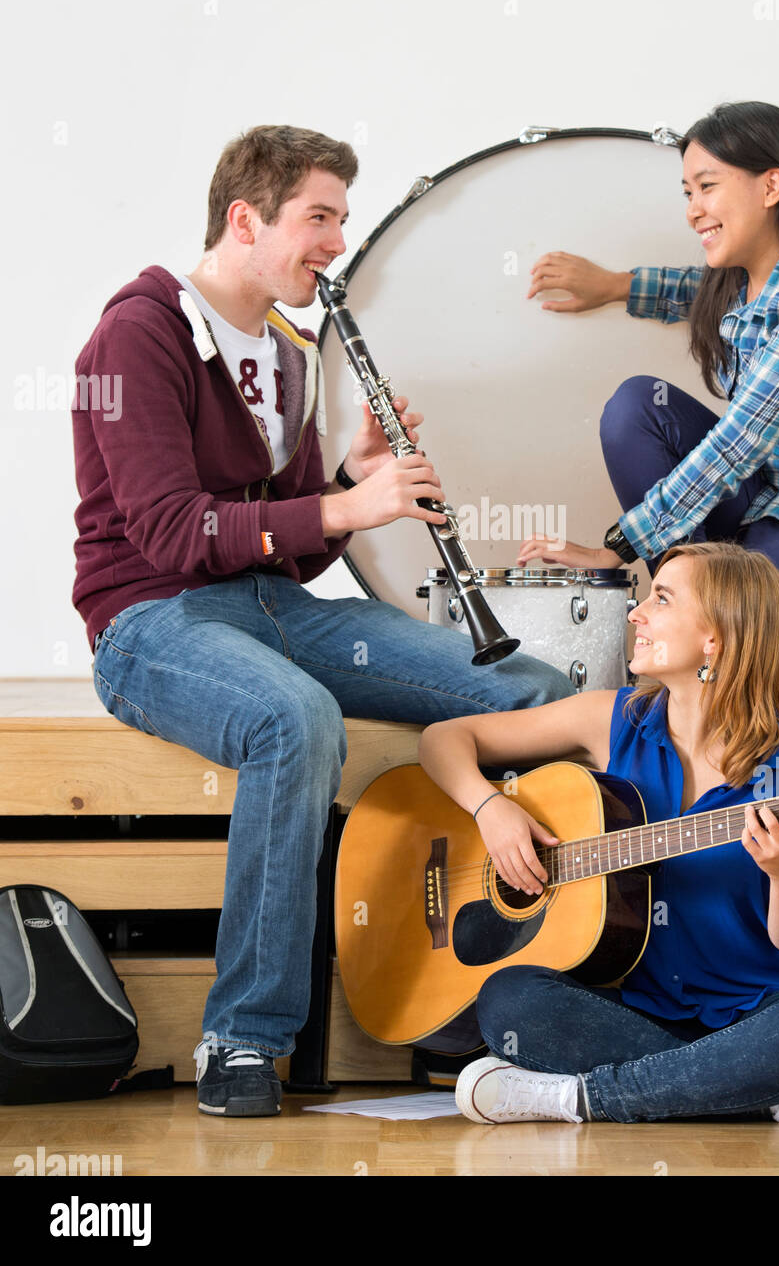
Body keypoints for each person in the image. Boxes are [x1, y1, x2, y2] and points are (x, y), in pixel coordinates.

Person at [71, 124, 572, 1118]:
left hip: (274, 607)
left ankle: (477, 983)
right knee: (294, 719)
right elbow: (174, 533)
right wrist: (349, 506)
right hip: (149, 619)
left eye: (340, 218)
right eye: (319, 217)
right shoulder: (140, 330)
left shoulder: (294, 349)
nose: (337, 241)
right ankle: (242, 1037)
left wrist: (348, 476)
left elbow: (288, 548)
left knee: (535, 692)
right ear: (245, 219)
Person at [417, 541, 779, 1126]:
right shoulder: (612, 719)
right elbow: (443, 739)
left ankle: (581, 1100)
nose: (636, 612)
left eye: (660, 599)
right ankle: (770, 1092)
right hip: (634, 1007)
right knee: (509, 1000)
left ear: (714, 638)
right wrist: (490, 806)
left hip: (763, 1010)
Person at [521, 101, 779, 717]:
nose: (694, 208)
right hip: (776, 512)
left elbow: (738, 443)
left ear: (772, 185)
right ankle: (687, 612)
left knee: (722, 649)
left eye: (708, 187)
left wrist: (617, 546)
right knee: (638, 405)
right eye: (687, 190)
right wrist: (615, 284)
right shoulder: (741, 281)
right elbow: (690, 289)